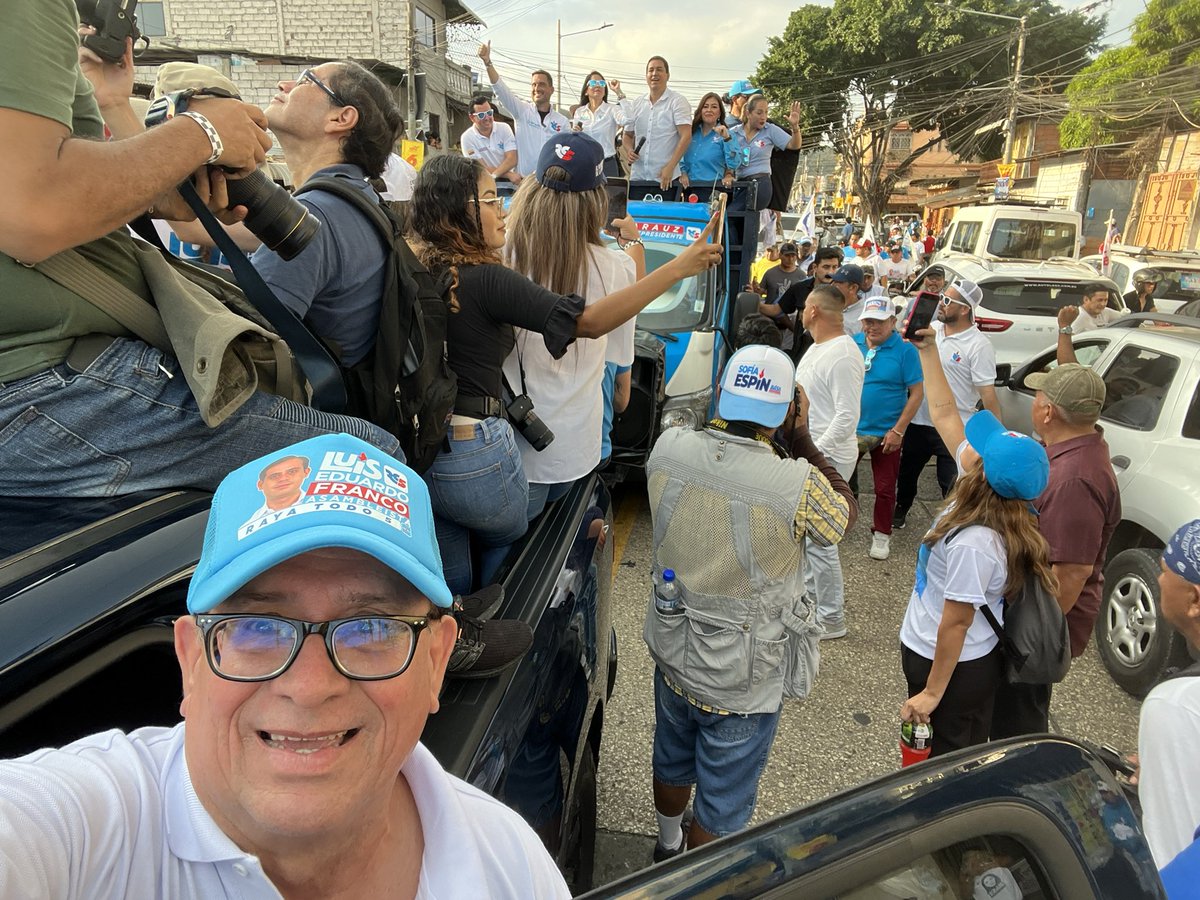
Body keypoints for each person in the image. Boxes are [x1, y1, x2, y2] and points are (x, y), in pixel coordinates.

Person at [0, 435, 571, 898]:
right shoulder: (87, 830)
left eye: (372, 628)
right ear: (191, 662)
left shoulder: (511, 868)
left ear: (437, 661)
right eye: (257, 627)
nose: (310, 686)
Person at [0, 1, 399, 498]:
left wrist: (200, 134)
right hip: (52, 368)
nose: (283, 84)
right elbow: (188, 229)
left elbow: (265, 320)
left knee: (373, 458)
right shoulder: (355, 198)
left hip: (48, 371)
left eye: (304, 82)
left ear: (342, 117)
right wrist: (130, 111)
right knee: (377, 458)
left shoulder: (323, 211)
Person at [406, 153, 721, 595]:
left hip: (419, 447)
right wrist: (676, 265)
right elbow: (588, 323)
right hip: (483, 449)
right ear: (460, 211)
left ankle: (453, 640)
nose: (503, 210)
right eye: (492, 199)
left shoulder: (415, 265)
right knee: (513, 558)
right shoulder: (488, 276)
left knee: (450, 581)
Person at [643, 344, 852, 859]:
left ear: (721, 393)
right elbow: (840, 519)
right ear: (785, 410)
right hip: (743, 675)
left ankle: (667, 848)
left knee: (671, 759)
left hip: (674, 647)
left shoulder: (667, 446)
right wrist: (801, 438)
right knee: (723, 801)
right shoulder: (797, 482)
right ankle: (694, 880)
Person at [900, 326, 1052, 758]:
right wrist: (929, 352)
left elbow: (957, 622)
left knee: (947, 759)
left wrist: (931, 694)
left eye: (978, 449)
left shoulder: (976, 542)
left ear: (982, 471)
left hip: (952, 667)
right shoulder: (996, 498)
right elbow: (947, 413)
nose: (968, 446)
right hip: (950, 655)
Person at [503, 132, 641, 518]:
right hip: (577, 452)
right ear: (598, 200)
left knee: (511, 571)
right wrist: (633, 245)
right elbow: (619, 371)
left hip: (511, 449)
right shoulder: (616, 268)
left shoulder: (500, 253)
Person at [990, 363, 1119, 738]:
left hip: (1035, 629)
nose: (1033, 403)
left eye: (1038, 397)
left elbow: (1071, 572)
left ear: (1047, 411)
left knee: (1017, 721)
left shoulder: (1074, 479)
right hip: (1031, 610)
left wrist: (1024, 639)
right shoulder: (1070, 454)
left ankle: (1018, 782)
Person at [893, 280, 1000, 530]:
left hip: (955, 427)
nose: (941, 303)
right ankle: (901, 509)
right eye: (942, 297)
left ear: (965, 309)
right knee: (906, 473)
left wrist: (994, 436)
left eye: (948, 300)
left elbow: (988, 394)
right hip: (920, 420)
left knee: (951, 483)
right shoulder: (932, 330)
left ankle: (953, 524)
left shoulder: (979, 345)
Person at [795, 285, 865, 640]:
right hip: (814, 454)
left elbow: (846, 417)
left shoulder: (842, 354)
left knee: (821, 540)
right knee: (808, 537)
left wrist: (813, 453)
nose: (803, 310)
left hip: (829, 458)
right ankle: (811, 603)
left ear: (814, 311)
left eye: (806, 305)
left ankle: (831, 618)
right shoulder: (819, 347)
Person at [1138, 519, 1200, 872]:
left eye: (1164, 571)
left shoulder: (1175, 705)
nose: (1159, 580)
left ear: (1194, 598)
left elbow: (1172, 851)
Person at [854, 298, 924, 562]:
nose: (872, 326)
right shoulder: (853, 343)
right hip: (852, 429)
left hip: (886, 432)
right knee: (839, 479)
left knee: (885, 487)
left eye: (879, 321)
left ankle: (882, 534)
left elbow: (917, 393)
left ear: (892, 322)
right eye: (868, 321)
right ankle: (838, 523)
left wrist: (899, 430)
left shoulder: (905, 351)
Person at [477, 42, 569, 179]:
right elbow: (500, 89)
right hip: (523, 184)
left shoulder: (563, 122)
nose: (537, 88)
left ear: (551, 90)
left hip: (550, 185)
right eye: (534, 85)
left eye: (542, 84)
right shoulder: (522, 111)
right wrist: (488, 63)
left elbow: (566, 155)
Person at [619, 56, 692, 195]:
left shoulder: (677, 101)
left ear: (667, 75)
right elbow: (627, 135)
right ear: (646, 76)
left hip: (665, 178)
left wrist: (670, 167)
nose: (654, 74)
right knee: (636, 217)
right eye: (650, 70)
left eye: (659, 69)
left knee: (664, 217)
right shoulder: (637, 104)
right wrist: (629, 150)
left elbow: (686, 136)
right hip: (638, 177)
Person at [761, 246, 844, 363]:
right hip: (801, 355)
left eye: (834, 267)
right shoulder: (800, 288)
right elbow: (776, 309)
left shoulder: (841, 293)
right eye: (826, 267)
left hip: (828, 356)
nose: (830, 272)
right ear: (815, 267)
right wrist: (753, 302)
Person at [730, 95, 802, 221]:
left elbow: (794, 145)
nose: (763, 117)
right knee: (736, 222)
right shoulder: (734, 133)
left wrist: (795, 128)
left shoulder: (770, 130)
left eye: (766, 112)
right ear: (748, 113)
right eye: (759, 112)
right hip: (741, 184)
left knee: (731, 214)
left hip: (760, 184)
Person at [678, 92, 739, 200]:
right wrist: (682, 172)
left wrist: (726, 138)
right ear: (700, 110)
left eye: (714, 107)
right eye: (705, 106)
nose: (709, 110)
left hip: (713, 191)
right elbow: (679, 156)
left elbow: (734, 164)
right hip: (688, 189)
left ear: (720, 112)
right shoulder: (690, 132)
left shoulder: (728, 134)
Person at [569, 71, 626, 178]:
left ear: (605, 91)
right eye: (593, 83)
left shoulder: (612, 109)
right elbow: (573, 139)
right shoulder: (580, 112)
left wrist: (619, 92)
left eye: (601, 84)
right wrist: (575, 133)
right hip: (584, 163)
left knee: (609, 195)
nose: (597, 86)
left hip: (607, 164)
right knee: (585, 195)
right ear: (586, 91)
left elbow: (628, 120)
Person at [459, 96, 520, 191]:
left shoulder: (504, 128)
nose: (487, 118)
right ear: (472, 118)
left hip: (509, 184)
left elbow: (512, 159)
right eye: (481, 115)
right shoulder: (467, 138)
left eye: (489, 113)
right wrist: (508, 174)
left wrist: (495, 175)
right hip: (484, 183)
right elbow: (480, 168)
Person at [759, 241, 803, 350]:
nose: (790, 259)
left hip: (790, 325)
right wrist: (755, 291)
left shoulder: (801, 275)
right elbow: (761, 292)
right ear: (780, 255)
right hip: (769, 323)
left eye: (793, 256)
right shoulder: (770, 273)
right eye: (787, 255)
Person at [829, 263, 867, 336]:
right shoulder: (826, 303)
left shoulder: (865, 314)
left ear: (853, 288)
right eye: (833, 281)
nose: (832, 285)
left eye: (839, 282)